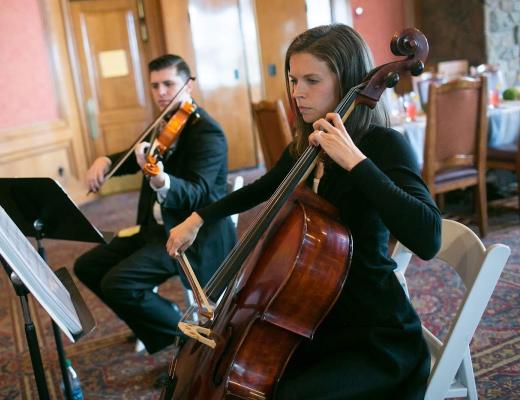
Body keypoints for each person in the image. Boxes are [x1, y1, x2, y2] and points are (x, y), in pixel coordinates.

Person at [166, 25, 441, 399]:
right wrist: (199, 219)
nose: (297, 93)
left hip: (375, 337)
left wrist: (356, 162)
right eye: (294, 79)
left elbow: (428, 239)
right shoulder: (309, 142)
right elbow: (265, 187)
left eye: (312, 80)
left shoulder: (383, 145)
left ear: (346, 83)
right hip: (315, 320)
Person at [75, 54, 236, 354]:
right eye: (154, 85)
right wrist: (107, 160)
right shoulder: (165, 124)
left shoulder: (207, 133)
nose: (161, 92)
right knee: (87, 266)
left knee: (118, 284)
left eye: (168, 84)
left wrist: (161, 180)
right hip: (156, 230)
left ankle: (183, 336)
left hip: (192, 237)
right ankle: (151, 323)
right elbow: (137, 153)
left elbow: (197, 192)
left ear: (188, 85)